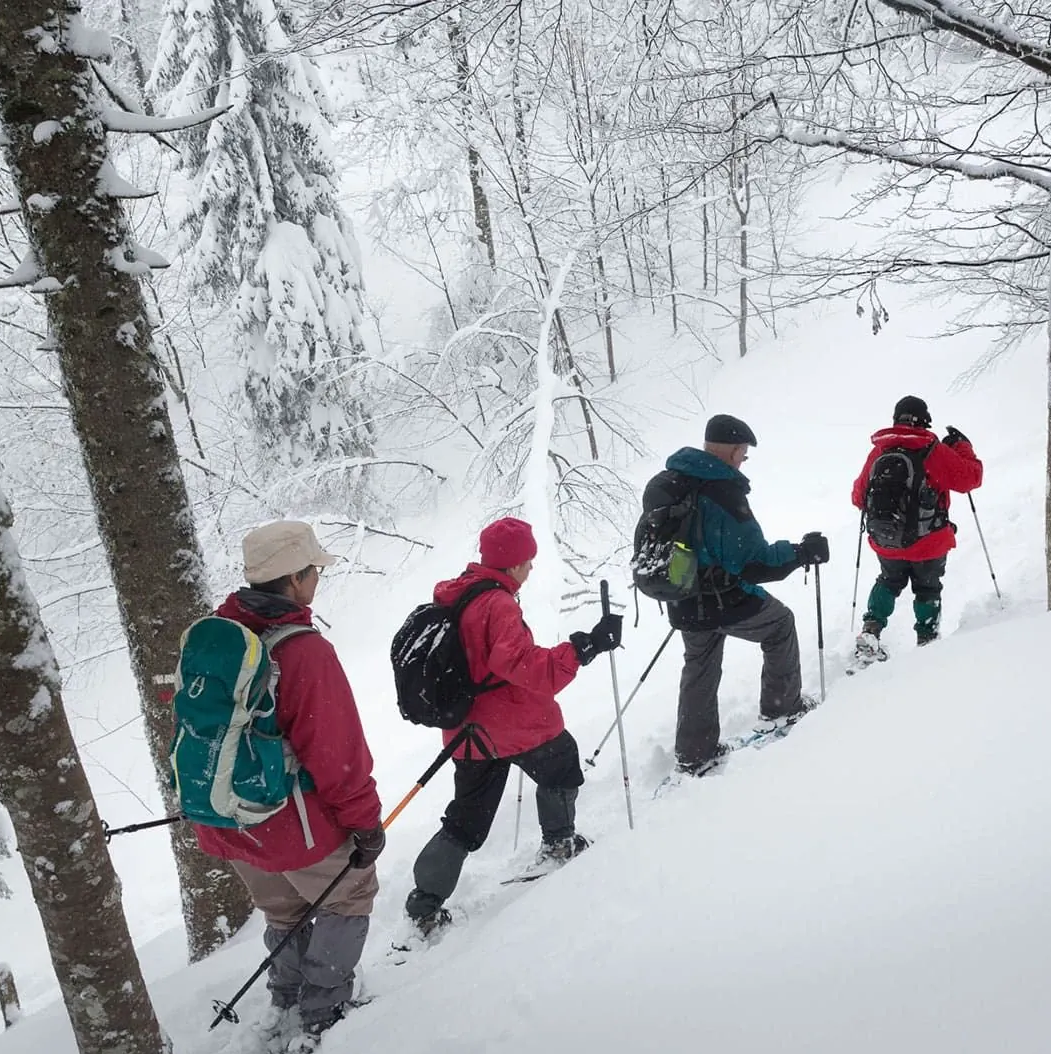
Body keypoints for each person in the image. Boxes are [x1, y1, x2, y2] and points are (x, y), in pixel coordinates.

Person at [191, 520, 385, 1037]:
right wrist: (365, 824)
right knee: (348, 895)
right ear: (295, 580)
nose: (318, 578)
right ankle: (323, 1010)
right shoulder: (302, 651)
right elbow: (338, 756)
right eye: (314, 570)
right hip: (291, 823)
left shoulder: (219, 637)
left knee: (284, 909)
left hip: (227, 819)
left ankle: (285, 999)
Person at [404, 517, 623, 937]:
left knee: (466, 820)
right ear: (512, 562)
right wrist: (583, 648)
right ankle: (559, 842)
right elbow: (524, 666)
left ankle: (424, 903)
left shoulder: (460, 592)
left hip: (467, 730)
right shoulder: (498, 604)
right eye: (528, 560)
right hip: (511, 722)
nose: (531, 567)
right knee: (561, 762)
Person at [644, 414, 828, 777]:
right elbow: (753, 562)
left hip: (682, 595)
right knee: (779, 624)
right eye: (743, 453)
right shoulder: (724, 494)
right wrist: (802, 552)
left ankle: (695, 753)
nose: (743, 460)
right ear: (732, 450)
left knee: (699, 663)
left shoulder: (671, 481)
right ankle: (782, 709)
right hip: (722, 599)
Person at [849, 395, 984, 662]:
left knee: (888, 581)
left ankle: (872, 629)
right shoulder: (932, 450)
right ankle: (927, 640)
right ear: (925, 421)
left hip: (887, 541)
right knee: (927, 588)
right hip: (928, 543)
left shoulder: (881, 451)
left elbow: (858, 497)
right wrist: (962, 447)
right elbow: (971, 478)